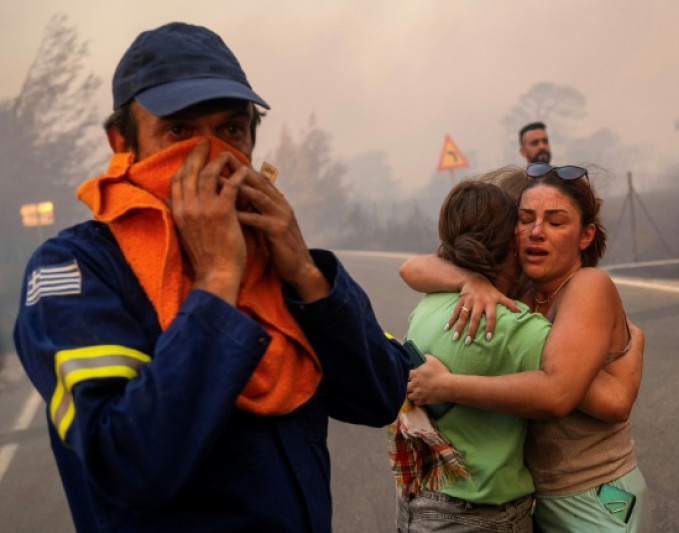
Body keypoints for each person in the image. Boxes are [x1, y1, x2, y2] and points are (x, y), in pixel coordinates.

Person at [13, 22, 410, 533]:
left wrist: (306, 274)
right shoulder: (76, 268)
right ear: (122, 141)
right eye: (178, 131)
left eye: (231, 130)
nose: (210, 155)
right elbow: (128, 463)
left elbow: (380, 396)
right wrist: (218, 278)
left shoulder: (276, 259)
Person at [401, 163, 651, 532]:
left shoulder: (588, 285)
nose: (536, 232)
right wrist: (470, 280)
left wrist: (448, 386)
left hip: (598, 496)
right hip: (539, 500)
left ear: (585, 235)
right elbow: (412, 268)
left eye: (556, 221)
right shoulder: (520, 293)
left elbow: (574, 396)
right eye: (525, 219)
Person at [396, 177, 548, 532]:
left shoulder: (428, 305)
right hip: (481, 514)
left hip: (417, 504)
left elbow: (411, 267)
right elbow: (567, 390)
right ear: (511, 244)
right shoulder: (517, 328)